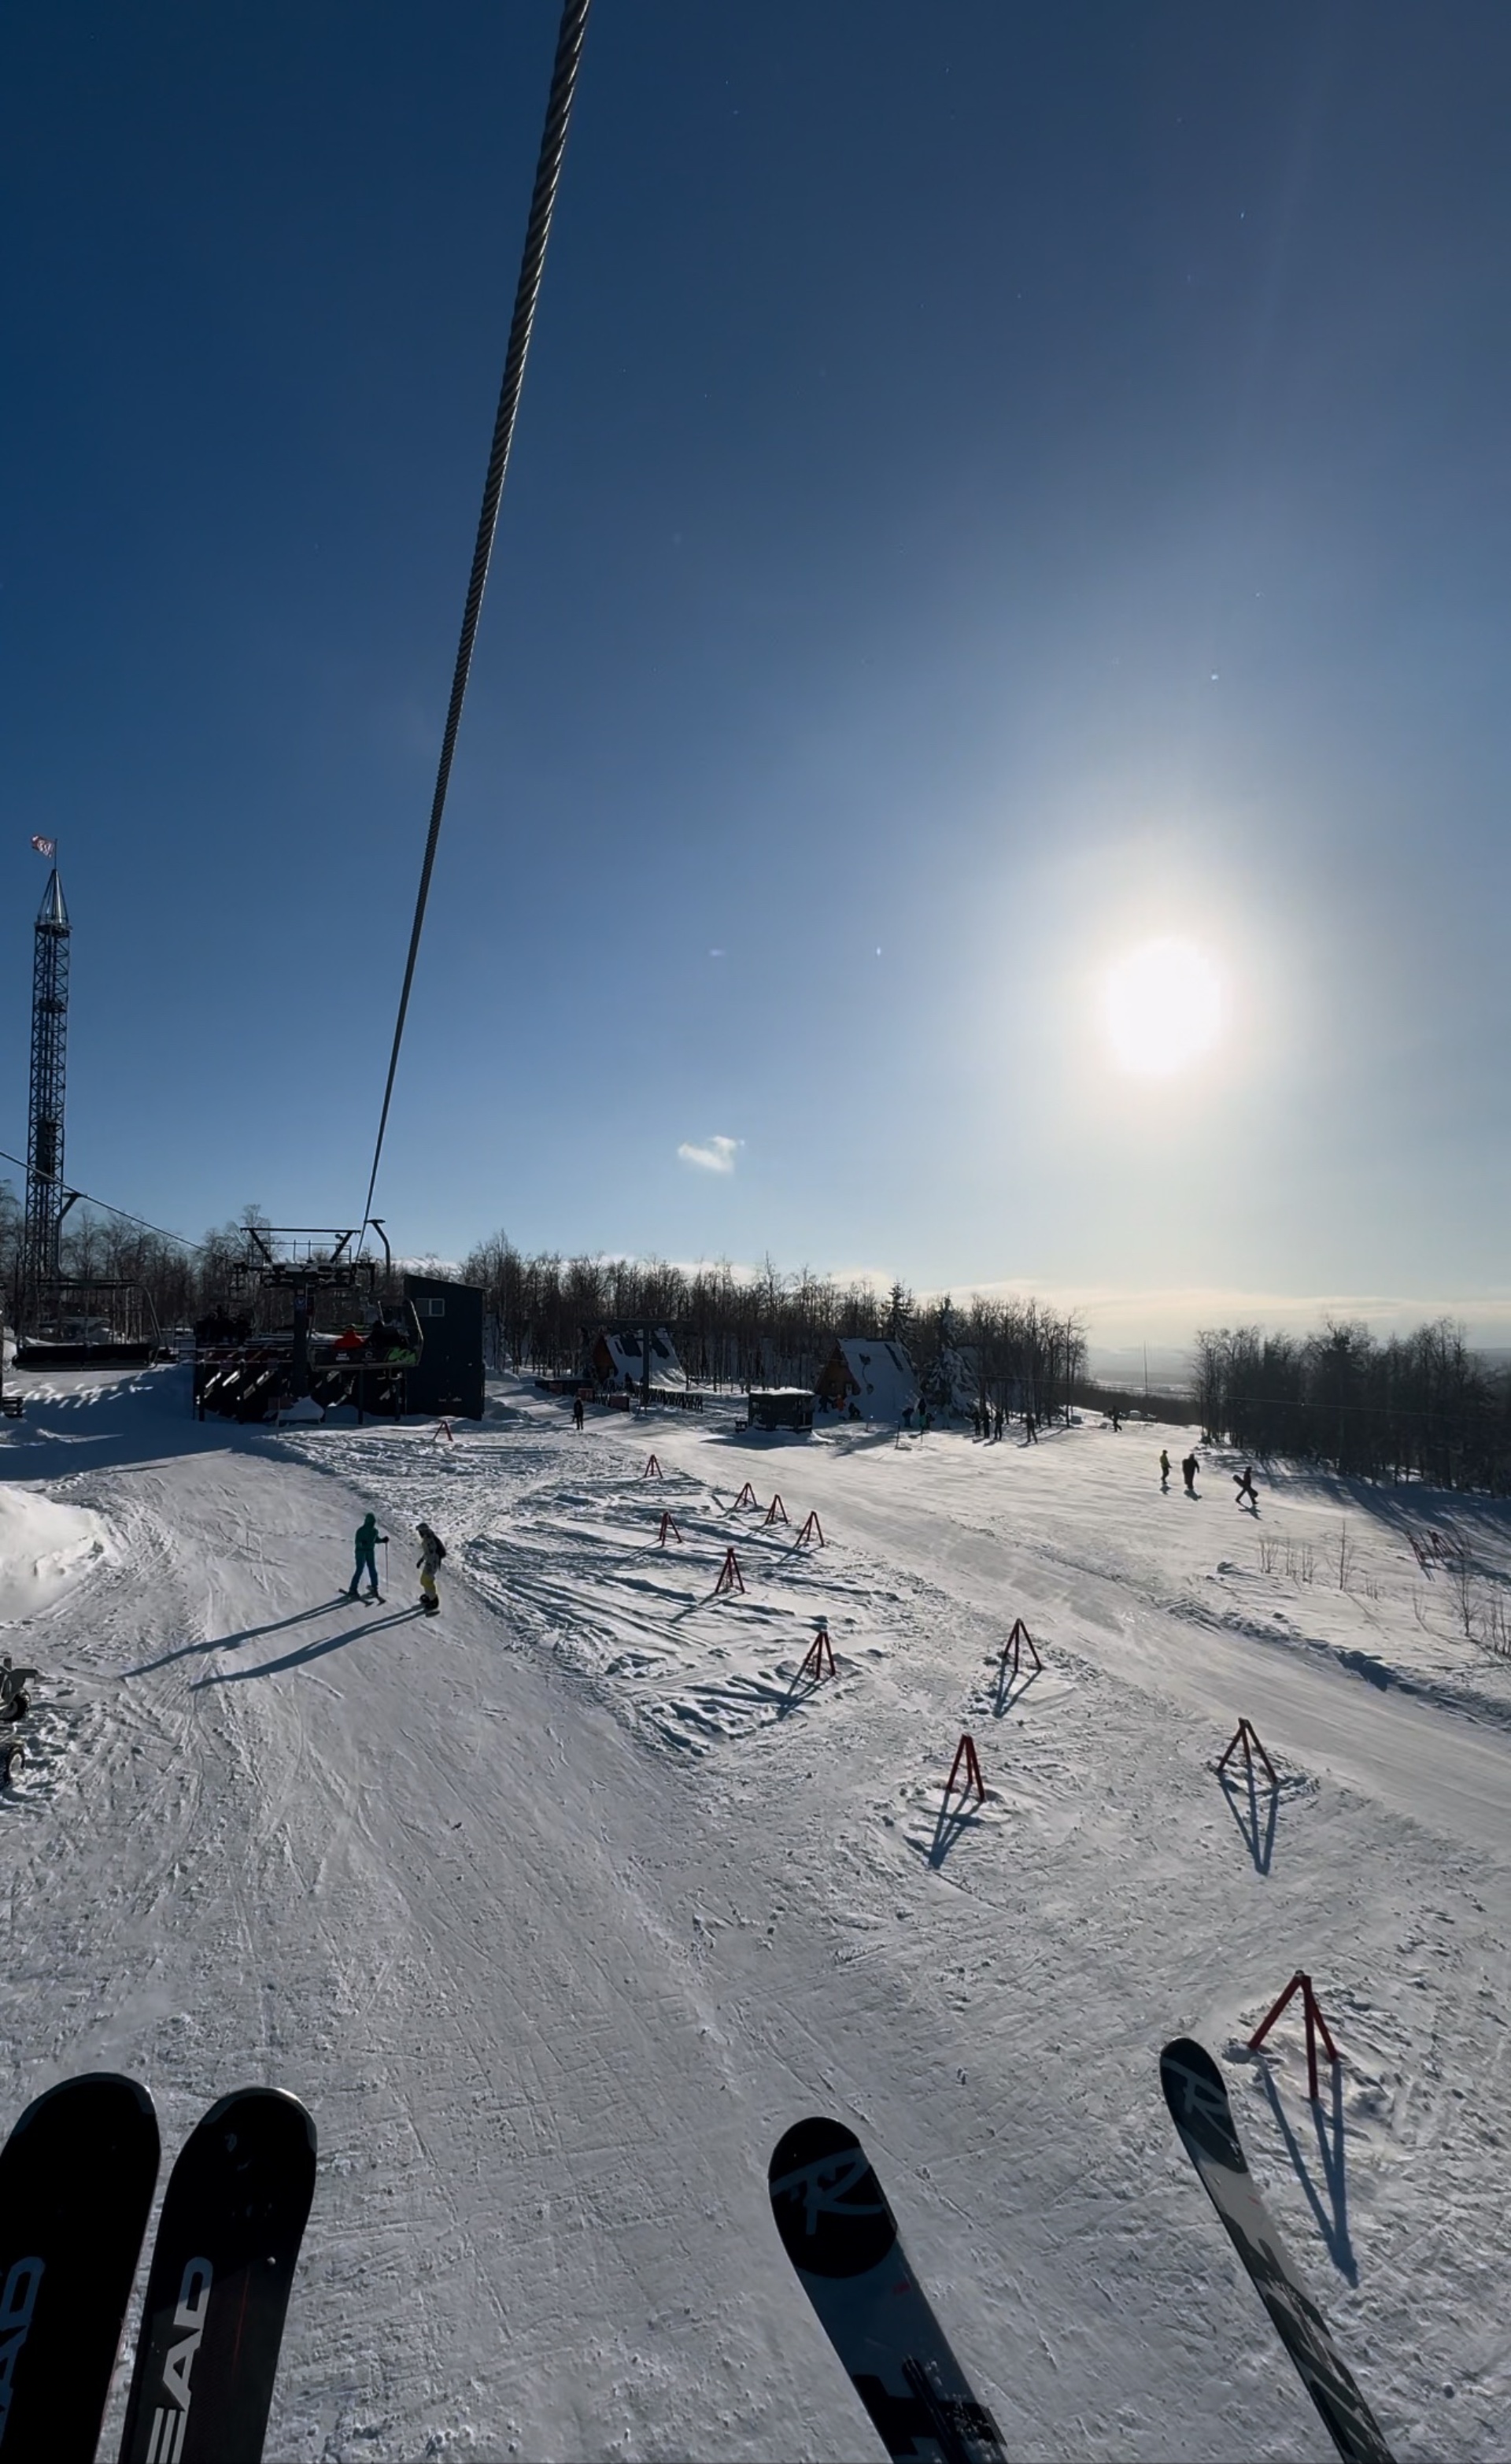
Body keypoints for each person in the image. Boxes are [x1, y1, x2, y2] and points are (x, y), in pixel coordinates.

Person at [348, 1511, 386, 1600]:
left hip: (370, 1551)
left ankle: (374, 1587)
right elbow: (357, 1542)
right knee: (360, 1569)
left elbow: (375, 1540)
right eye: (371, 1522)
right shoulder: (361, 1531)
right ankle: (353, 1589)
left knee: (372, 1569)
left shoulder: (374, 1531)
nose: (372, 1524)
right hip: (361, 1552)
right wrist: (361, 1544)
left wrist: (383, 1540)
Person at [416, 1521, 446, 1615]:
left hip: (432, 1565)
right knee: (424, 1581)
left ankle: (433, 1601)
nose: (419, 1534)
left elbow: (432, 1554)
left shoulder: (429, 1540)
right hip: (430, 1564)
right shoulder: (428, 1538)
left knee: (427, 1581)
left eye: (420, 1532)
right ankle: (430, 1595)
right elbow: (428, 1553)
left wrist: (430, 1566)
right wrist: (421, 1560)